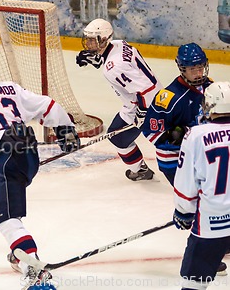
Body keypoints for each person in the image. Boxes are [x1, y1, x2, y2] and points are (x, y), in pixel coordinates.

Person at [0, 51, 80, 289]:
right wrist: (65, 130)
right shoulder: (10, 88)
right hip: (29, 152)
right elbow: (48, 105)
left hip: (5, 157)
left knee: (7, 220)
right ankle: (19, 256)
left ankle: (36, 272)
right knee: (12, 211)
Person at [76, 18, 162, 181]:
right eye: (87, 39)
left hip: (148, 103)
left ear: (103, 40)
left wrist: (142, 114)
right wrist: (92, 59)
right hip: (144, 99)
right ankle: (140, 170)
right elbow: (114, 60)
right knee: (117, 137)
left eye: (92, 40)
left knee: (163, 141)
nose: (87, 44)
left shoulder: (114, 68)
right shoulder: (118, 44)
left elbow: (143, 89)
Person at [172, 81, 230, 290]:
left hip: (211, 224)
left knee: (194, 284)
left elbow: (186, 182)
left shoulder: (196, 135)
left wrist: (184, 212)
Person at [142, 43, 212, 186]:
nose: (199, 73)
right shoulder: (169, 98)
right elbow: (151, 131)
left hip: (201, 153)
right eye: (193, 69)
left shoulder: (209, 86)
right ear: (182, 69)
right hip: (175, 160)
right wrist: (173, 137)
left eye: (201, 67)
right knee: (193, 201)